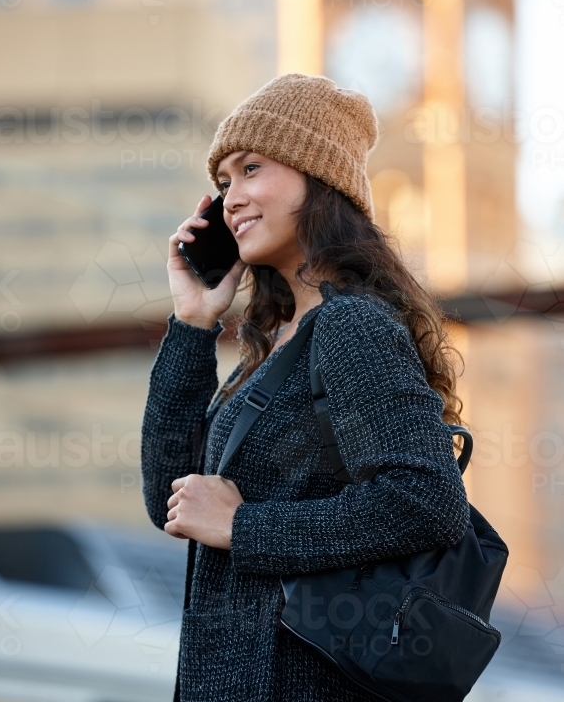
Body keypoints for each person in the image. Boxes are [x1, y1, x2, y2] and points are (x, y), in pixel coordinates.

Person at [141, 73, 469, 702]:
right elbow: (170, 502)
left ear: (320, 180)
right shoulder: (270, 350)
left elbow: (427, 500)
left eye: (251, 168)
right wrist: (191, 324)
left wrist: (245, 527)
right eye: (223, 183)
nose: (229, 199)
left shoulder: (352, 326)